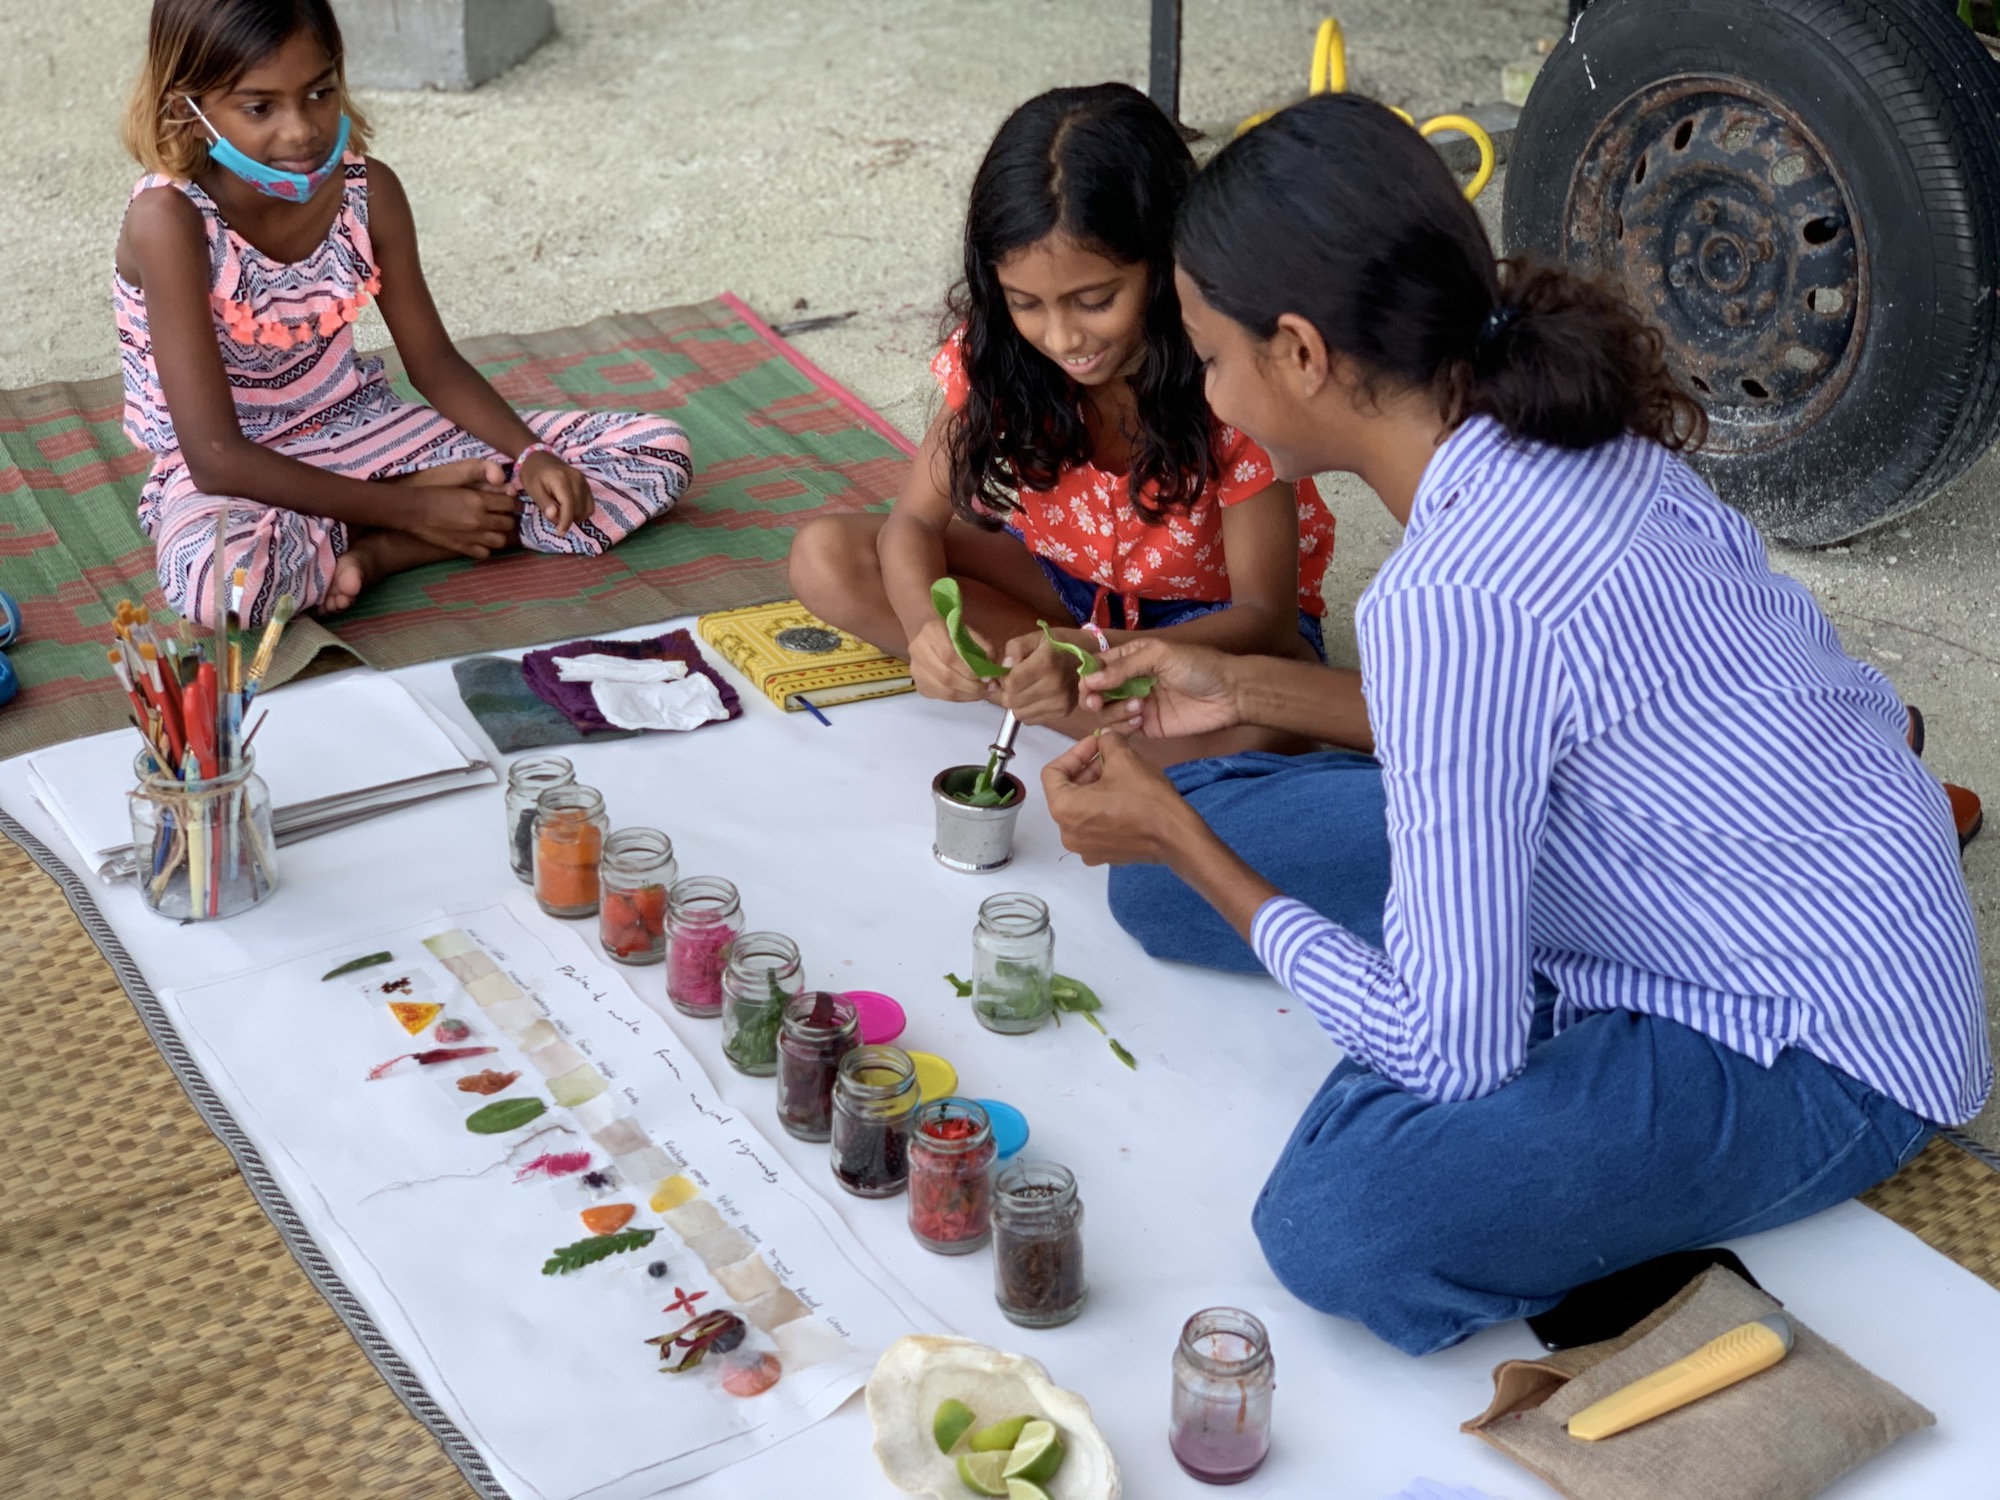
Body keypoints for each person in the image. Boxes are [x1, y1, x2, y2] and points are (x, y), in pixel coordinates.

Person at [1042, 93, 1990, 1356]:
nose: (1207, 392)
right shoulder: (1538, 419)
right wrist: (1245, 696)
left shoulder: (1451, 594)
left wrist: (1182, 834)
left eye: (1211, 357)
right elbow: (1499, 714)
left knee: (1337, 1220)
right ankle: (1497, 969)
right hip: (1665, 861)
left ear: (1303, 354)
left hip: (1816, 1035)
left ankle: (1537, 1007)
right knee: (1154, 894)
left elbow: (1448, 1048)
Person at [788, 83, 1335, 751]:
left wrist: (1093, 654)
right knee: (828, 557)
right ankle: (1087, 714)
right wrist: (928, 628)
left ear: (1166, 265)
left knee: (1263, 722)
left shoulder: (1231, 374)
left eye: (1094, 299)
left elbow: (1265, 619)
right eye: (1026, 302)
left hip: (1202, 632)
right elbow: (912, 523)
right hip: (1066, 595)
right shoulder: (1001, 357)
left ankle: (1058, 703)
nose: (1062, 336)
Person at [114, 0, 692, 626]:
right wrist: (415, 507)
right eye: (260, 108)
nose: (302, 130)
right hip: (232, 476)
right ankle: (418, 513)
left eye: (319, 92)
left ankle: (382, 549)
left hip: (361, 430)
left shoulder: (369, 193)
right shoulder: (168, 221)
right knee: (222, 584)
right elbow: (215, 455)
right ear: (188, 112)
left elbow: (435, 364)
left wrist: (529, 456)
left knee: (655, 450)